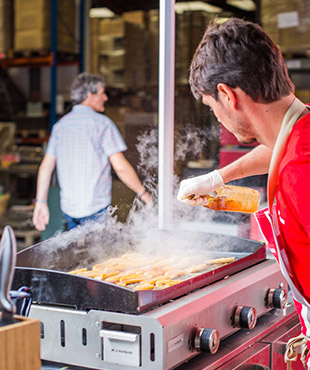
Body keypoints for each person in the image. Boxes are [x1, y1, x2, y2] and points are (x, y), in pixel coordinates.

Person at [177, 18, 310, 369]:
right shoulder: (300, 130)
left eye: (211, 108)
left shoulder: (301, 171)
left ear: (227, 96)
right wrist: (218, 178)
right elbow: (277, 146)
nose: (218, 119)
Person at [33, 72, 151, 231]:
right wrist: (143, 193)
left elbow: (46, 167)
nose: (106, 98)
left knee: (76, 252)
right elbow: (120, 167)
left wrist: (41, 203)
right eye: (102, 93)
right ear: (90, 95)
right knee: (98, 254)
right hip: (96, 208)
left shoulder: (60, 126)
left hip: (69, 208)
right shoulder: (102, 124)